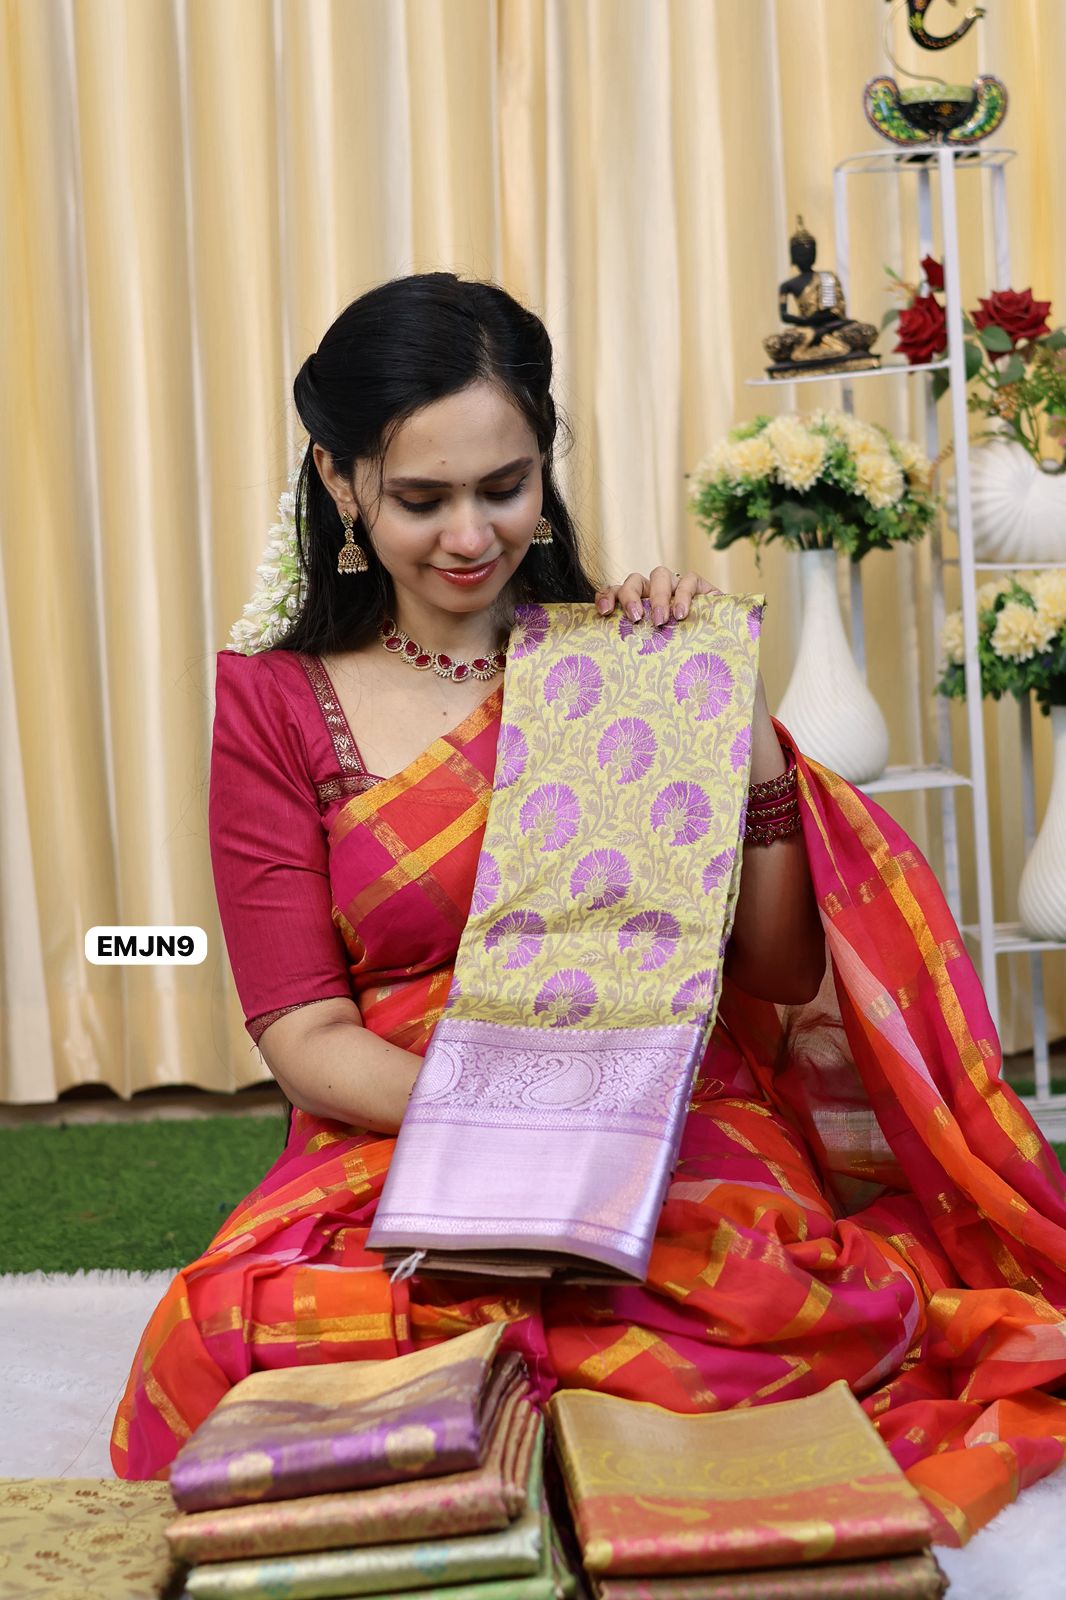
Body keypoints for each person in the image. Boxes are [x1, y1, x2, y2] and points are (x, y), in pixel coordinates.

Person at [112, 273, 1066, 1547]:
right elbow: (303, 1035)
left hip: (667, 1115)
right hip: (402, 1124)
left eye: (503, 487)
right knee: (231, 1334)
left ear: (543, 466)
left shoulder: (622, 661)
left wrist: (750, 753)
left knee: (755, 1304)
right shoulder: (279, 707)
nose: (469, 534)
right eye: (420, 498)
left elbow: (777, 978)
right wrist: (516, 1129)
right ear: (341, 484)